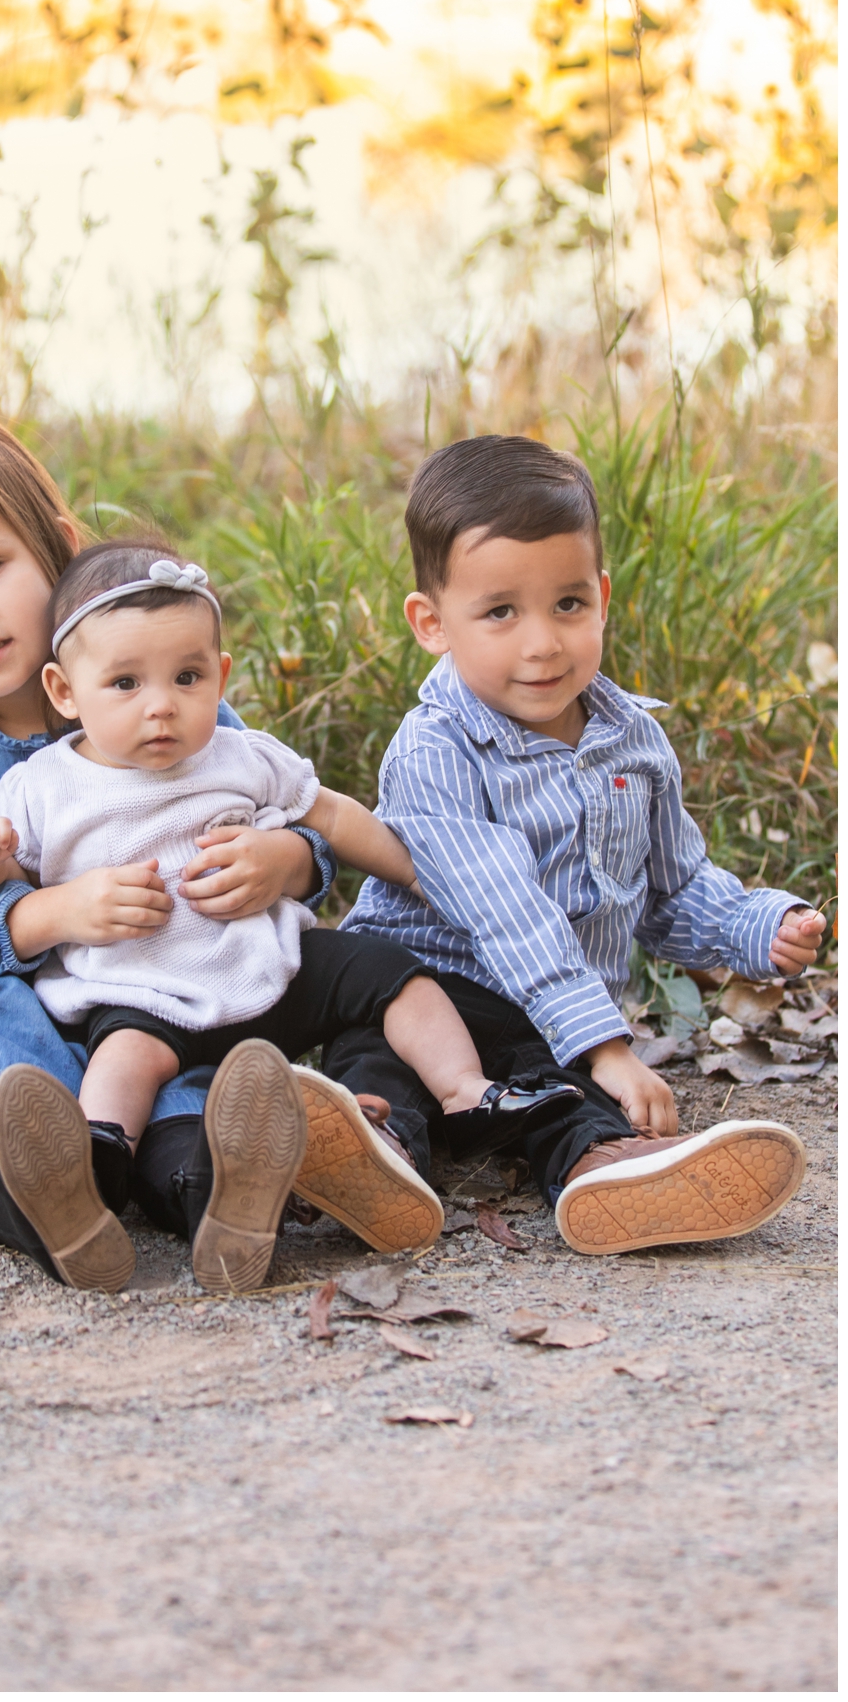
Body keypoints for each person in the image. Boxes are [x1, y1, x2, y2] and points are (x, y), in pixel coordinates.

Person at [0, 414, 430, 1302]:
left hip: (154, 987)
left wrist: (287, 862)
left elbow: (275, 802)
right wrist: (55, 914)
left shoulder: (154, 685)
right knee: (9, 1104)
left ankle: (236, 1203)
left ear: (57, 551)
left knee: (190, 1106)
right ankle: (60, 1209)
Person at [0, 540, 578, 1292]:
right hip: (146, 991)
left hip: (269, 969)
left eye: (186, 677)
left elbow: (338, 819)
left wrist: (426, 873)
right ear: (63, 690)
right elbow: (13, 878)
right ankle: (98, 1158)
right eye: (124, 683)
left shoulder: (241, 754)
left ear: (219, 677)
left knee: (391, 973)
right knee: (124, 1056)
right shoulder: (44, 785)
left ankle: (466, 1092)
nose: (161, 705)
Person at [326, 435, 820, 1253]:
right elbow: (507, 913)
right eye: (499, 613)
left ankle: (606, 1172)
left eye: (567, 605)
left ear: (602, 596)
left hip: (545, 1018)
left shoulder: (633, 742)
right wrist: (608, 1045)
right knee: (376, 1056)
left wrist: (755, 927)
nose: (542, 644)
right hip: (434, 989)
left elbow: (669, 886)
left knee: (561, 1087)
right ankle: (371, 1159)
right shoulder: (435, 749)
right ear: (431, 623)